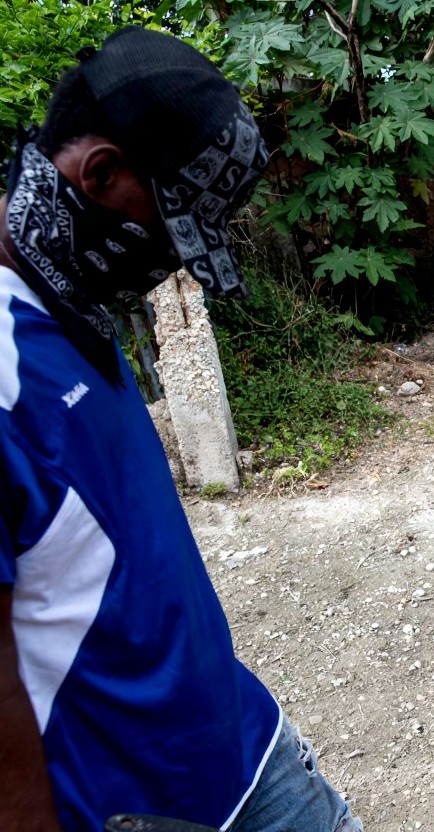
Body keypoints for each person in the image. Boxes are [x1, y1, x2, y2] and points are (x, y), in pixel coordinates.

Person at [0, 27, 362, 830]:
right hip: (132, 805)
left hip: (242, 741)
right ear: (100, 174)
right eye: (167, 234)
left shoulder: (68, 293)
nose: (162, 266)